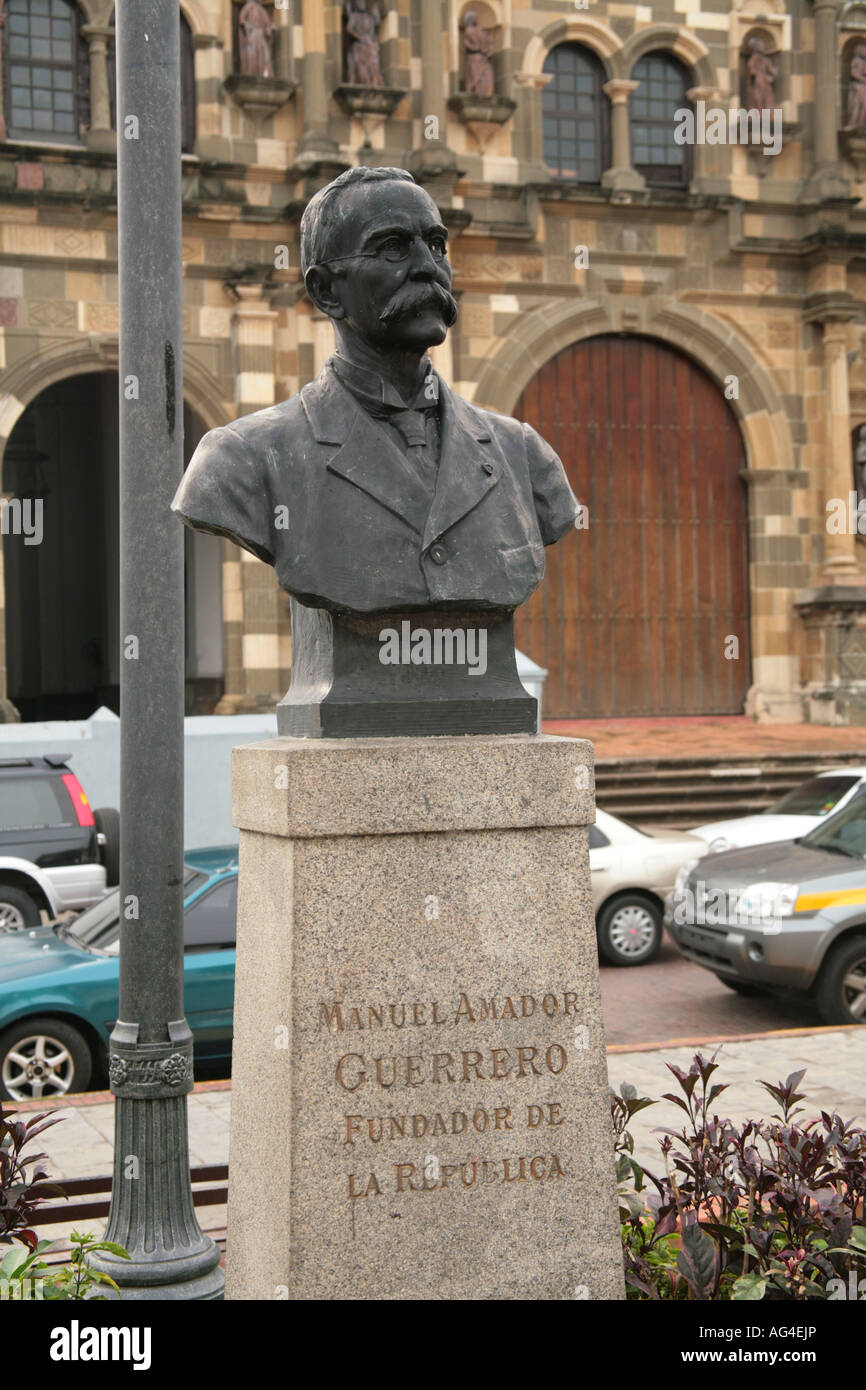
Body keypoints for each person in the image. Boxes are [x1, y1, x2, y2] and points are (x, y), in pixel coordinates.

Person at [172, 167, 578, 617]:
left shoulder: (523, 456)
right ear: (326, 291)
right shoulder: (242, 460)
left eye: (437, 245)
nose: (428, 267)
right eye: (392, 248)